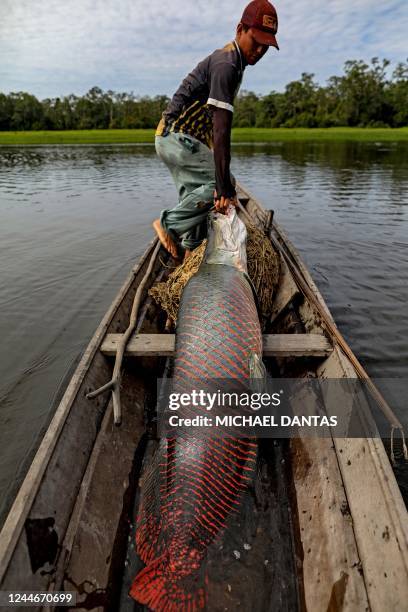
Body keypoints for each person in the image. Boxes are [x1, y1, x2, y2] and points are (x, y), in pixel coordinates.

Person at [153, 0, 279, 260]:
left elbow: (211, 126)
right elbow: (222, 132)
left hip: (178, 138)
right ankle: (168, 225)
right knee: (220, 183)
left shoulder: (235, 62)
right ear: (239, 29)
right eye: (255, 41)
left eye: (265, 46)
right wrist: (225, 188)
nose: (258, 50)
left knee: (198, 193)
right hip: (177, 138)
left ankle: (189, 252)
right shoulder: (227, 65)